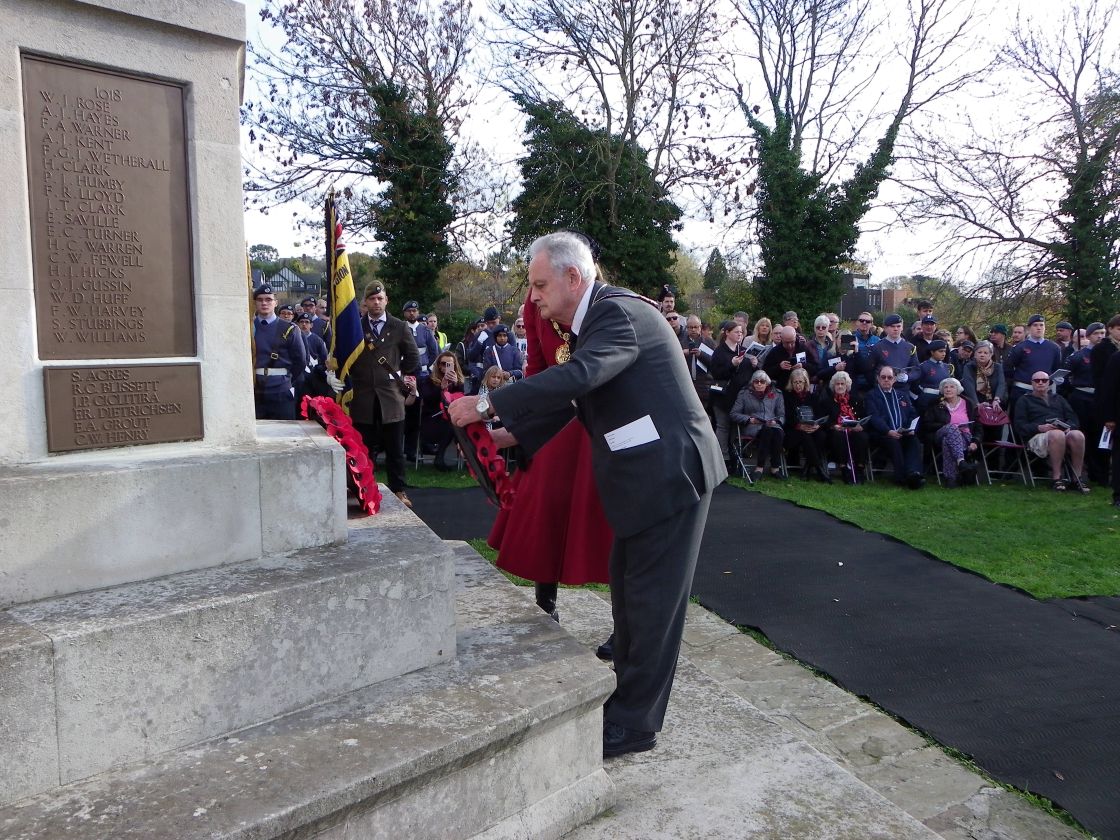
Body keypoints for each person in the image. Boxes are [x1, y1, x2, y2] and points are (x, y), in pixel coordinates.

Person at [450, 231, 725, 759]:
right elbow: (581, 400)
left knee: (652, 604)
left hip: (671, 476)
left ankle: (634, 723)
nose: (532, 297)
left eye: (538, 285)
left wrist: (487, 405)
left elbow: (581, 375)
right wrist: (511, 434)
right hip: (644, 478)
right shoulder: (594, 318)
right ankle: (625, 698)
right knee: (629, 591)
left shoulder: (615, 314)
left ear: (572, 277)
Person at [487, 275, 612, 647]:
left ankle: (624, 625)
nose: (535, 295)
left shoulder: (602, 306)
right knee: (546, 514)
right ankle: (546, 607)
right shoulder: (535, 304)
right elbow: (537, 371)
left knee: (610, 523)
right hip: (552, 428)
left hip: (597, 424)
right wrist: (523, 425)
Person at [349, 282, 420, 508]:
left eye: (380, 299)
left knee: (394, 449)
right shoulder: (355, 326)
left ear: (386, 300)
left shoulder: (398, 326)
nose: (376, 303)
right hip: (364, 397)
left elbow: (412, 357)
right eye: (372, 299)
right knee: (364, 449)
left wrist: (400, 376)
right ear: (365, 302)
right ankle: (363, 490)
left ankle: (398, 490)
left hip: (391, 397)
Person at [1014, 371, 1089, 493]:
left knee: (1078, 435)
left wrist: (1069, 426)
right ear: (1031, 383)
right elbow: (1020, 426)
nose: (1040, 383)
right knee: (1057, 434)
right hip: (1037, 436)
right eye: (1037, 380)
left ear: (1049, 383)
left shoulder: (1058, 399)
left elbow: (1073, 418)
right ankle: (1056, 478)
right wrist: (1039, 427)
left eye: (1044, 380)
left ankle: (1077, 479)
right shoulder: (1024, 400)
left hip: (1062, 432)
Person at [252, 284, 307, 420]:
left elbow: (300, 362)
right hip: (254, 390)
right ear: (255, 302)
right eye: (260, 299)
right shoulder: (247, 327)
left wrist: (285, 381)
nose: (264, 303)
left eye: (269, 299)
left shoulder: (289, 329)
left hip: (281, 390)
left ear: (275, 302)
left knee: (284, 434)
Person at [866, 366, 925, 488]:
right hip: (882, 433)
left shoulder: (902, 395)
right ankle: (901, 477)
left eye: (889, 377)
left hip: (902, 432)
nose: (886, 380)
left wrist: (911, 429)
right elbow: (874, 417)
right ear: (878, 378)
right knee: (893, 442)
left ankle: (914, 473)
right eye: (883, 377)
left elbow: (912, 414)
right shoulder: (871, 395)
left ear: (894, 380)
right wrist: (888, 431)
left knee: (913, 441)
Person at [709, 320, 755, 465]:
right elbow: (716, 373)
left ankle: (734, 456)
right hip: (722, 397)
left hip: (739, 397)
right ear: (727, 333)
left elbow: (746, 374)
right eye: (736, 332)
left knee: (736, 428)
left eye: (741, 332)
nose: (740, 334)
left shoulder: (743, 350)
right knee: (723, 427)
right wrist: (732, 364)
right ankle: (722, 459)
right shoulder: (719, 351)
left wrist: (753, 364)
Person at [922, 377, 979, 488]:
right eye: (945, 387)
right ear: (942, 390)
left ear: (958, 390)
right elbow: (927, 424)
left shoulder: (968, 403)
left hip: (965, 437)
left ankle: (951, 478)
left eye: (952, 387)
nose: (948, 389)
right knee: (951, 429)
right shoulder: (936, 404)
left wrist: (975, 441)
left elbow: (978, 425)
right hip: (939, 434)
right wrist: (946, 426)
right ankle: (962, 464)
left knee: (947, 441)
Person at [730, 370, 785, 480]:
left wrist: (777, 421)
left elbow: (781, 415)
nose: (759, 384)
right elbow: (733, 414)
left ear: (767, 383)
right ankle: (759, 468)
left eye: (762, 382)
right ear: (752, 383)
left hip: (772, 425)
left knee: (777, 431)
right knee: (767, 431)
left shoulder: (777, 394)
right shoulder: (744, 394)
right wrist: (749, 419)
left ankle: (775, 468)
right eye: (756, 382)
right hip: (753, 426)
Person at [1004, 314, 1062, 414]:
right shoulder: (1020, 347)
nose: (1039, 328)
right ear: (1029, 328)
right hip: (1022, 391)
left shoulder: (1054, 348)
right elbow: (1008, 368)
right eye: (1035, 325)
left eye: (1041, 325)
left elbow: (1056, 368)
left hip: (1044, 393)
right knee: (1019, 422)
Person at [819, 371, 870, 483]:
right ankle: (844, 469)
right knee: (838, 436)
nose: (840, 386)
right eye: (838, 384)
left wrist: (861, 426)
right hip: (837, 432)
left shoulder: (856, 400)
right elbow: (824, 420)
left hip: (854, 430)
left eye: (843, 384)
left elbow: (865, 417)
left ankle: (860, 469)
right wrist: (833, 426)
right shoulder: (827, 402)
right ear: (834, 386)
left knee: (862, 436)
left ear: (847, 386)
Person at [417, 351, 464, 469]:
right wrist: (441, 388)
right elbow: (427, 400)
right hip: (432, 419)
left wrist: (456, 384)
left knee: (457, 424)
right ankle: (439, 457)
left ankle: (444, 457)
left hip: (450, 418)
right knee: (451, 425)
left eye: (450, 364)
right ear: (438, 365)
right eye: (443, 364)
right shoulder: (428, 380)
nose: (445, 367)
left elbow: (461, 400)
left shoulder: (457, 381)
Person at [783, 368, 829, 482]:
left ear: (805, 382)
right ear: (791, 383)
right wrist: (799, 426)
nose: (798, 385)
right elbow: (787, 418)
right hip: (793, 431)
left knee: (821, 435)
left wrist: (817, 425)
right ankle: (819, 469)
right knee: (805, 436)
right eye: (795, 382)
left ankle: (807, 467)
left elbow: (819, 415)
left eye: (800, 382)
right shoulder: (786, 397)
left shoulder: (812, 397)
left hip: (811, 428)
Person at [763, 325, 819, 390]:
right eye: (786, 343)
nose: (790, 345)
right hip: (783, 389)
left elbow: (815, 368)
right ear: (781, 338)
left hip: (802, 389)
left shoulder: (803, 348)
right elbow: (765, 372)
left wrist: (803, 366)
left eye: (792, 342)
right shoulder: (775, 352)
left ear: (795, 337)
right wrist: (779, 367)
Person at [294, 310, 331, 402]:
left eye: (307, 322)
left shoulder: (317, 340)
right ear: (297, 324)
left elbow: (324, 359)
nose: (304, 324)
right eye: (301, 322)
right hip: (298, 376)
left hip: (314, 376)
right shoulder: (293, 338)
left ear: (311, 325)